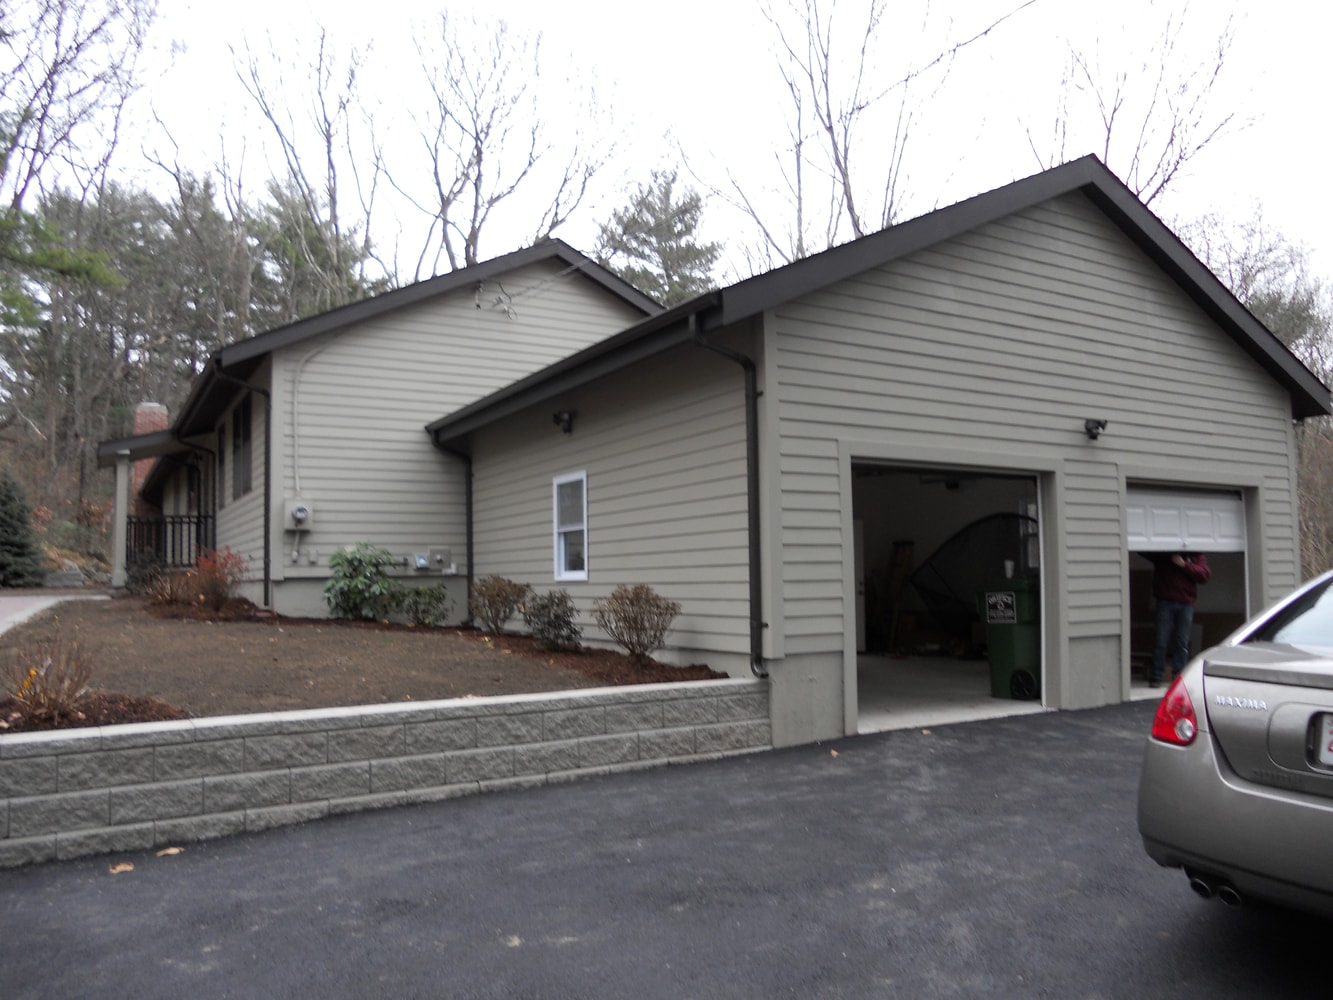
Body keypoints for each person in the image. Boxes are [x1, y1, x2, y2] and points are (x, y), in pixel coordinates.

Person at [1146, 551, 1212, 687]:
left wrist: (1184, 564)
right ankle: (1156, 677)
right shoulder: (1164, 555)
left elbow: (1204, 575)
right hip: (1165, 601)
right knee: (1160, 641)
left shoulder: (1194, 555)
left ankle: (1178, 677)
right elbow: (1144, 551)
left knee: (1182, 643)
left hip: (1185, 604)